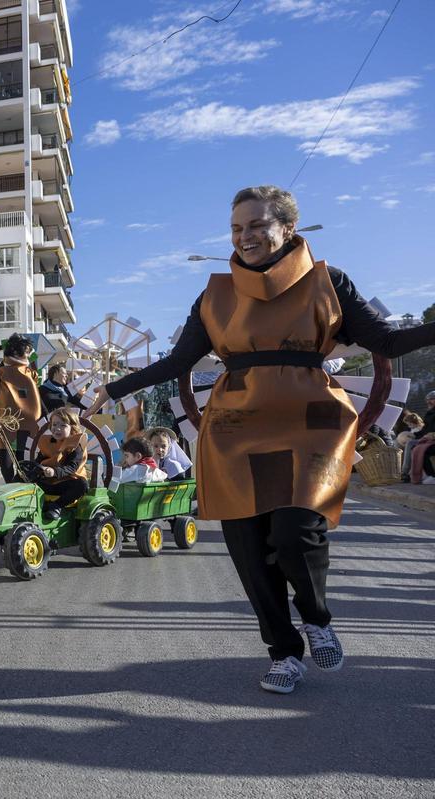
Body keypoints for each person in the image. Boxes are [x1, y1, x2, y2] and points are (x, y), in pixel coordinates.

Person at [88, 185, 435, 694]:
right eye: (236, 227)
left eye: (255, 225)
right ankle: (284, 652)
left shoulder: (328, 281)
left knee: (296, 533)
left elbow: (384, 341)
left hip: (311, 420)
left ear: (287, 228)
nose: (244, 236)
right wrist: (113, 389)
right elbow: (178, 362)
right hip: (236, 427)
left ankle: (316, 617)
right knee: (250, 550)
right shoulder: (214, 295)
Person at [0, 333, 42, 482]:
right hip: (6, 425)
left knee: (25, 464)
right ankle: (12, 490)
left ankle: (20, 491)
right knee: (7, 466)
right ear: (15, 351)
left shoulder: (31, 373)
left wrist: (48, 419)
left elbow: (38, 399)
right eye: (27, 349)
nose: (29, 352)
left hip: (28, 426)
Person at [17, 407, 89, 519]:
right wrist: (30, 470)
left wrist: (54, 471)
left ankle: (56, 505)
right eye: (54, 425)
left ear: (73, 428)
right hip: (48, 481)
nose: (57, 429)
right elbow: (38, 461)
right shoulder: (48, 442)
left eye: (63, 426)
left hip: (66, 483)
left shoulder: (76, 446)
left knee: (82, 485)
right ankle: (17, 503)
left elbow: (71, 468)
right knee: (21, 476)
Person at [403, 391, 435, 484]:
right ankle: (410, 474)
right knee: (414, 447)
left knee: (421, 450)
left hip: (432, 440)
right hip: (428, 439)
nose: (429, 402)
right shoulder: (429, 413)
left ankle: (432, 475)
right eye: (428, 400)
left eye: (432, 399)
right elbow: (425, 430)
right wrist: (414, 435)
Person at [396, 409, 426, 478]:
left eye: (410, 424)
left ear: (414, 422)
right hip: (411, 442)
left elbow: (418, 437)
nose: (409, 426)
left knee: (407, 445)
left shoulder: (419, 428)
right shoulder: (413, 429)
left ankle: (404, 471)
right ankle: (399, 468)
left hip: (417, 443)